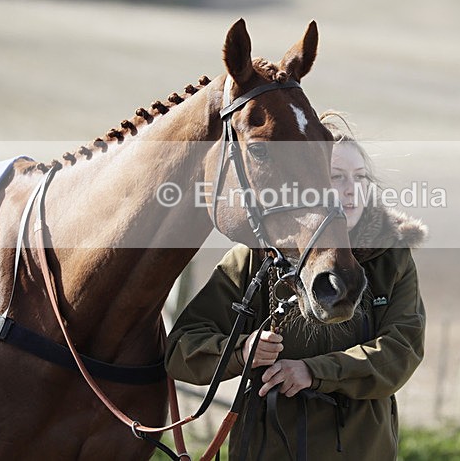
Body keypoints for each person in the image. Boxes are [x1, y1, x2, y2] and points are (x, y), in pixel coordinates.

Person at [165, 112, 427, 460]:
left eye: (360, 177)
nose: (351, 190)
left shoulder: (391, 258)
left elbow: (401, 350)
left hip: (360, 450)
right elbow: (182, 348)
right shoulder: (256, 257)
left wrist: (313, 372)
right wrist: (242, 351)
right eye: (336, 177)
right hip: (265, 448)